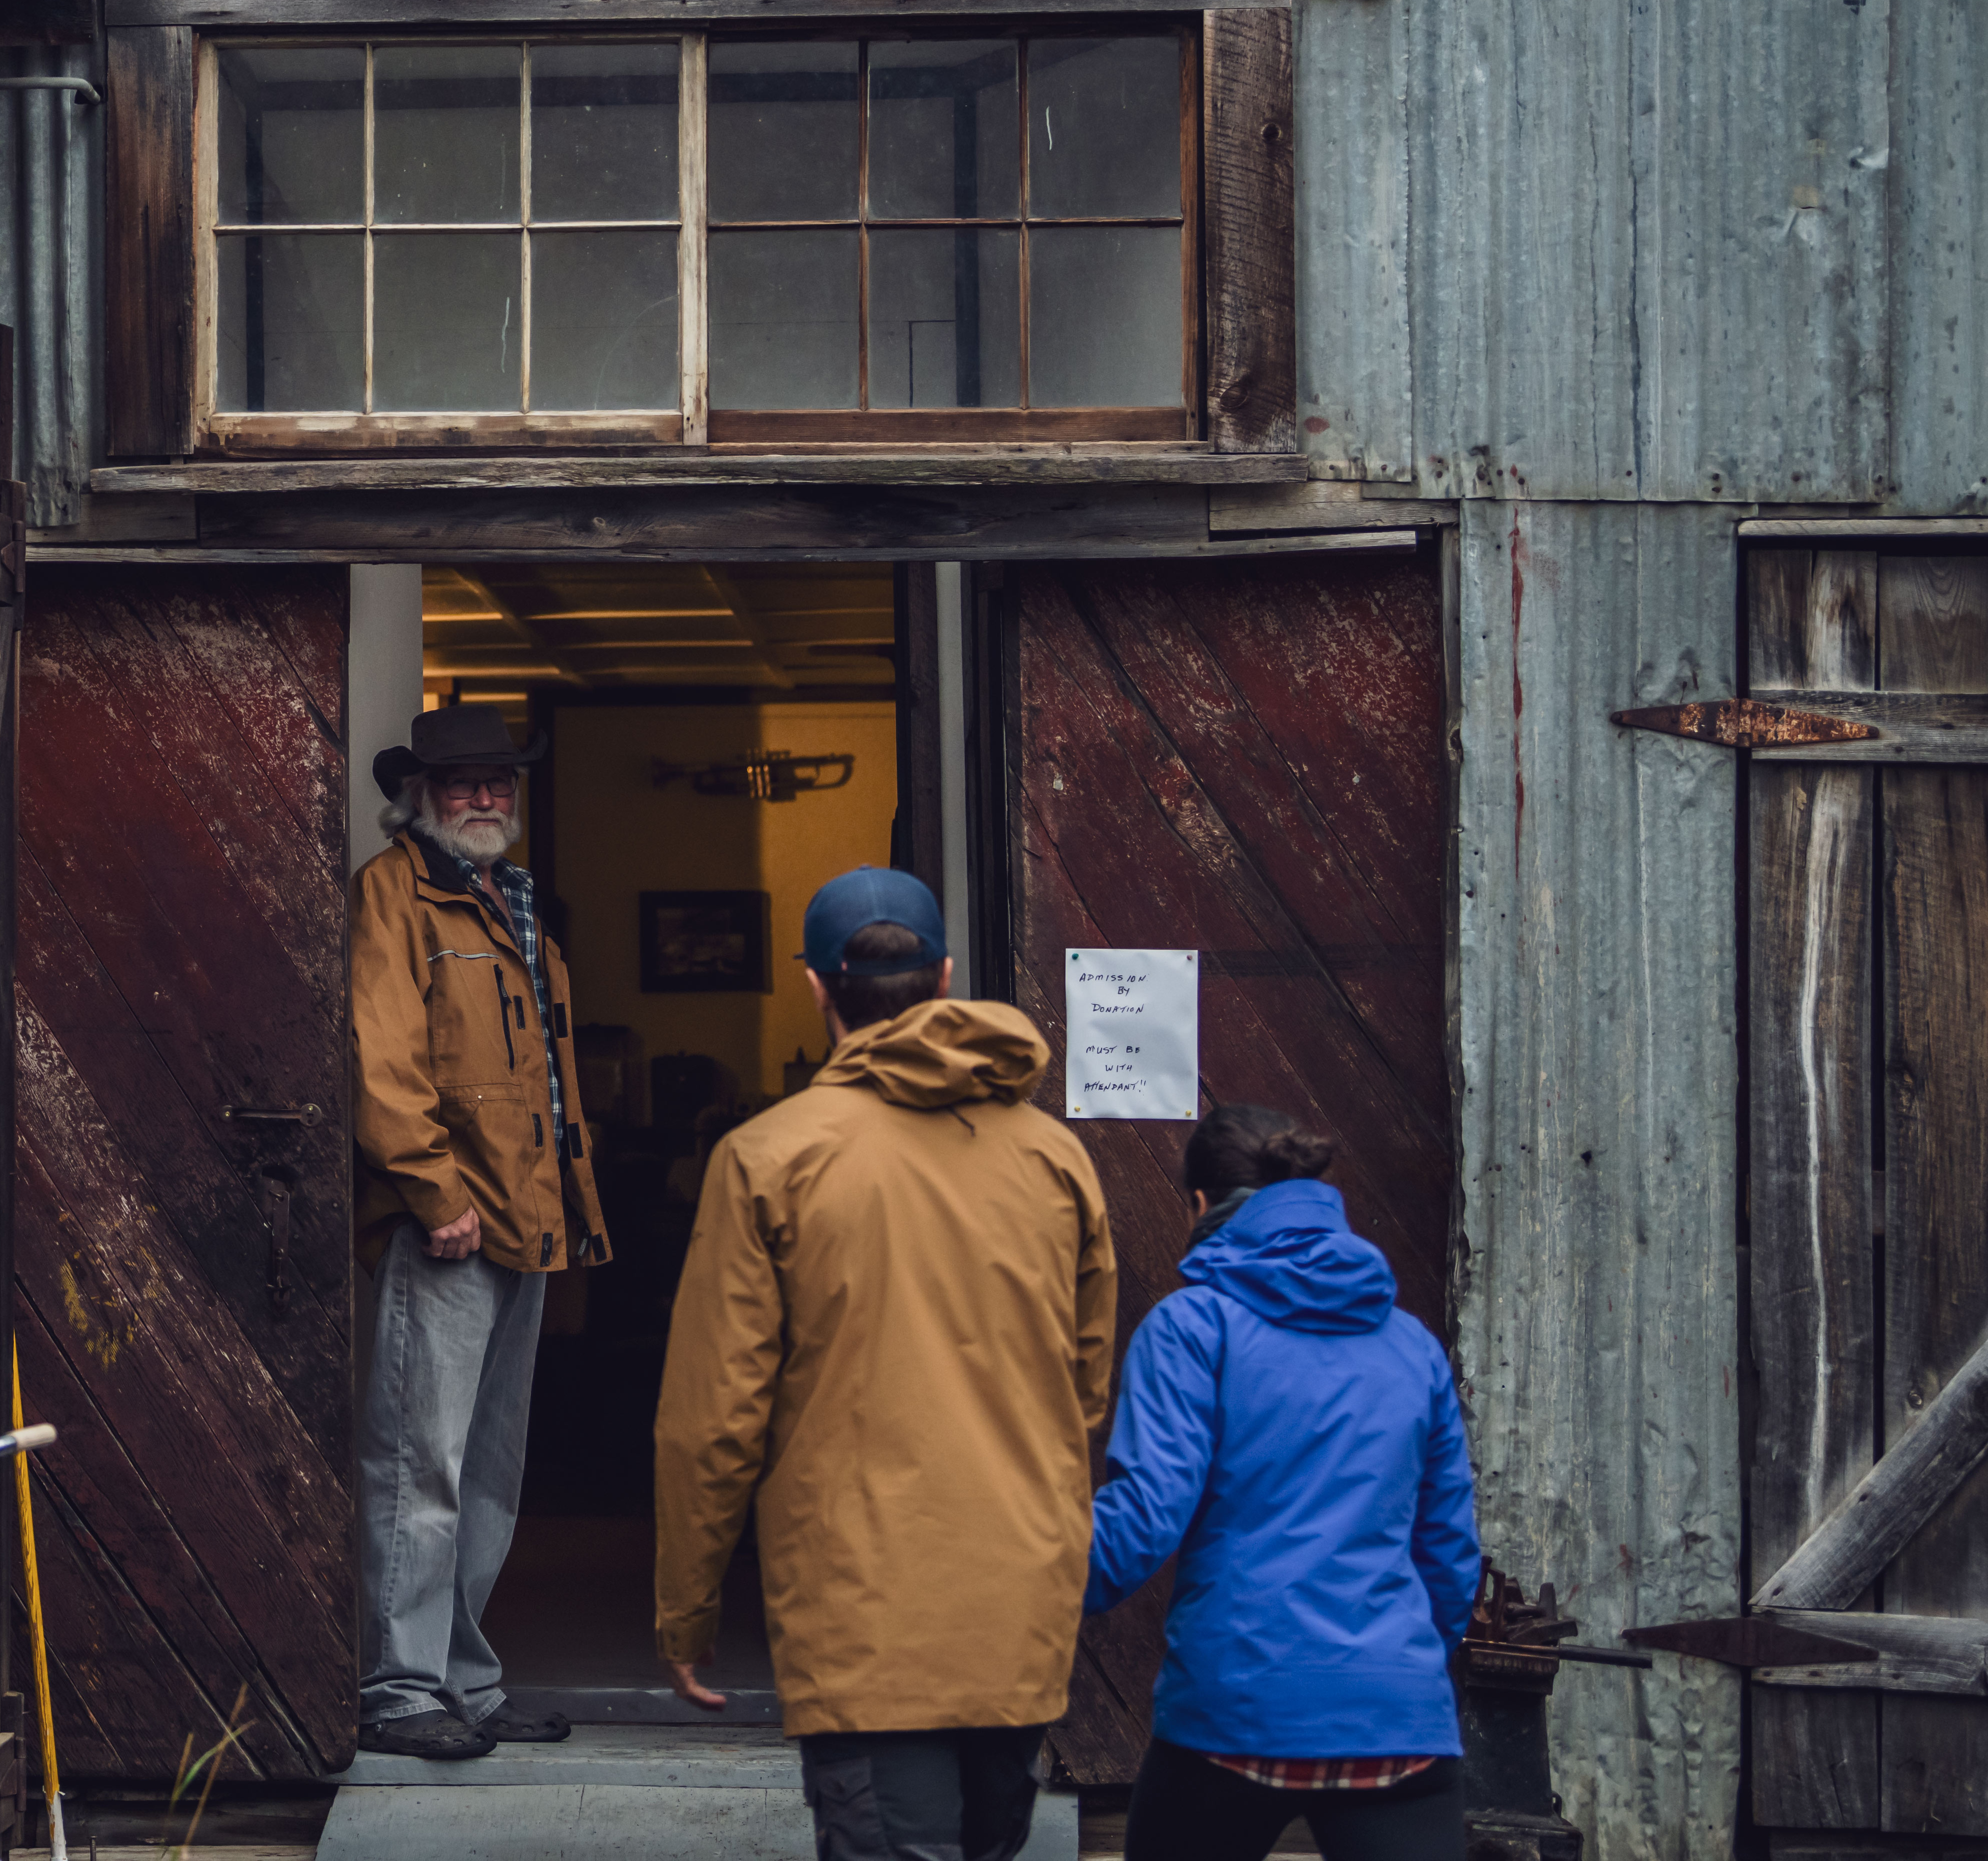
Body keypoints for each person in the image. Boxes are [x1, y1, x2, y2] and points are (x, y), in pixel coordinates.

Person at [654, 867, 1116, 1861]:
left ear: (817, 988)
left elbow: (713, 1422)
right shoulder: (1054, 1158)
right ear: (945, 976)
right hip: (1017, 1606)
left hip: (862, 1612)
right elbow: (1085, 1393)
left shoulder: (767, 1156)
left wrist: (688, 1611)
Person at [1086, 1107, 1481, 1861]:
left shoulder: (1191, 1329)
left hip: (1236, 1710)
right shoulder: (1411, 1345)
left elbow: (1141, 1524)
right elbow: (1450, 1552)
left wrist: (1021, 1596)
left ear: (1199, 1205)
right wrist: (1390, 1668)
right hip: (1395, 1718)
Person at [348, 704, 609, 1762]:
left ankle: (466, 1677)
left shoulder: (512, 903)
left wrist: (565, 1214)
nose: (486, 798)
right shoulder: (393, 894)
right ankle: (399, 1685)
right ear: (420, 796)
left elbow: (546, 1078)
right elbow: (383, 1056)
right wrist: (431, 1189)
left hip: (522, 1223)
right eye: (463, 784)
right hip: (448, 1225)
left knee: (491, 1471)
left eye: (499, 781)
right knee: (420, 1462)